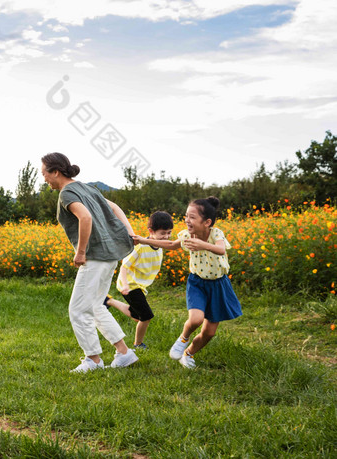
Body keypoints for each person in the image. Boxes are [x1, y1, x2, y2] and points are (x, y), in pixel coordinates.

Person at [41, 152, 139, 372]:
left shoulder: (67, 193)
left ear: (55, 172)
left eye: (45, 174)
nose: (44, 179)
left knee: (78, 310)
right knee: (95, 306)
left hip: (94, 257)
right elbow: (114, 207)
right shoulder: (88, 188)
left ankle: (93, 360)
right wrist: (129, 231)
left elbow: (85, 218)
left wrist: (81, 252)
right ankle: (124, 353)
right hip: (109, 256)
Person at [133, 196, 242, 369]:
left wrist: (202, 244)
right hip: (197, 283)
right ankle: (183, 338)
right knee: (196, 319)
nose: (186, 220)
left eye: (192, 217)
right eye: (186, 216)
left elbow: (221, 249)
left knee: (209, 332)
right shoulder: (186, 235)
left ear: (206, 222)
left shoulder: (216, 233)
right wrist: (142, 240)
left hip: (219, 285)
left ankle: (188, 354)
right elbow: (170, 244)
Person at [104, 211, 174, 349]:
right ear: (151, 231)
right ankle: (138, 344)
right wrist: (125, 286)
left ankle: (108, 301)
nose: (166, 236)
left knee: (138, 316)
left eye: (169, 232)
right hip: (130, 285)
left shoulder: (160, 246)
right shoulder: (140, 246)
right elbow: (124, 266)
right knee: (146, 316)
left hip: (139, 286)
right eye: (163, 233)